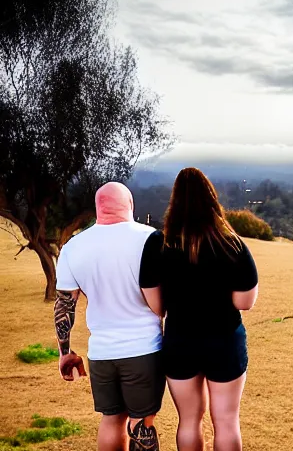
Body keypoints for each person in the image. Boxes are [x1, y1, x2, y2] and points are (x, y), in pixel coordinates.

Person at [140, 167, 258, 451]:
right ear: (212, 200)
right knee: (227, 421)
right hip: (225, 340)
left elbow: (156, 305)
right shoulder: (231, 242)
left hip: (180, 341)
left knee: (189, 420)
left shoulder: (158, 243)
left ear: (174, 201)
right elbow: (245, 302)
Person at [54, 182, 165, 451]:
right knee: (141, 424)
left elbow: (64, 305)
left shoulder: (73, 247)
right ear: (130, 205)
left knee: (111, 419)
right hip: (143, 349)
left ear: (97, 208)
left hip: (101, 352)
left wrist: (65, 352)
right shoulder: (150, 238)